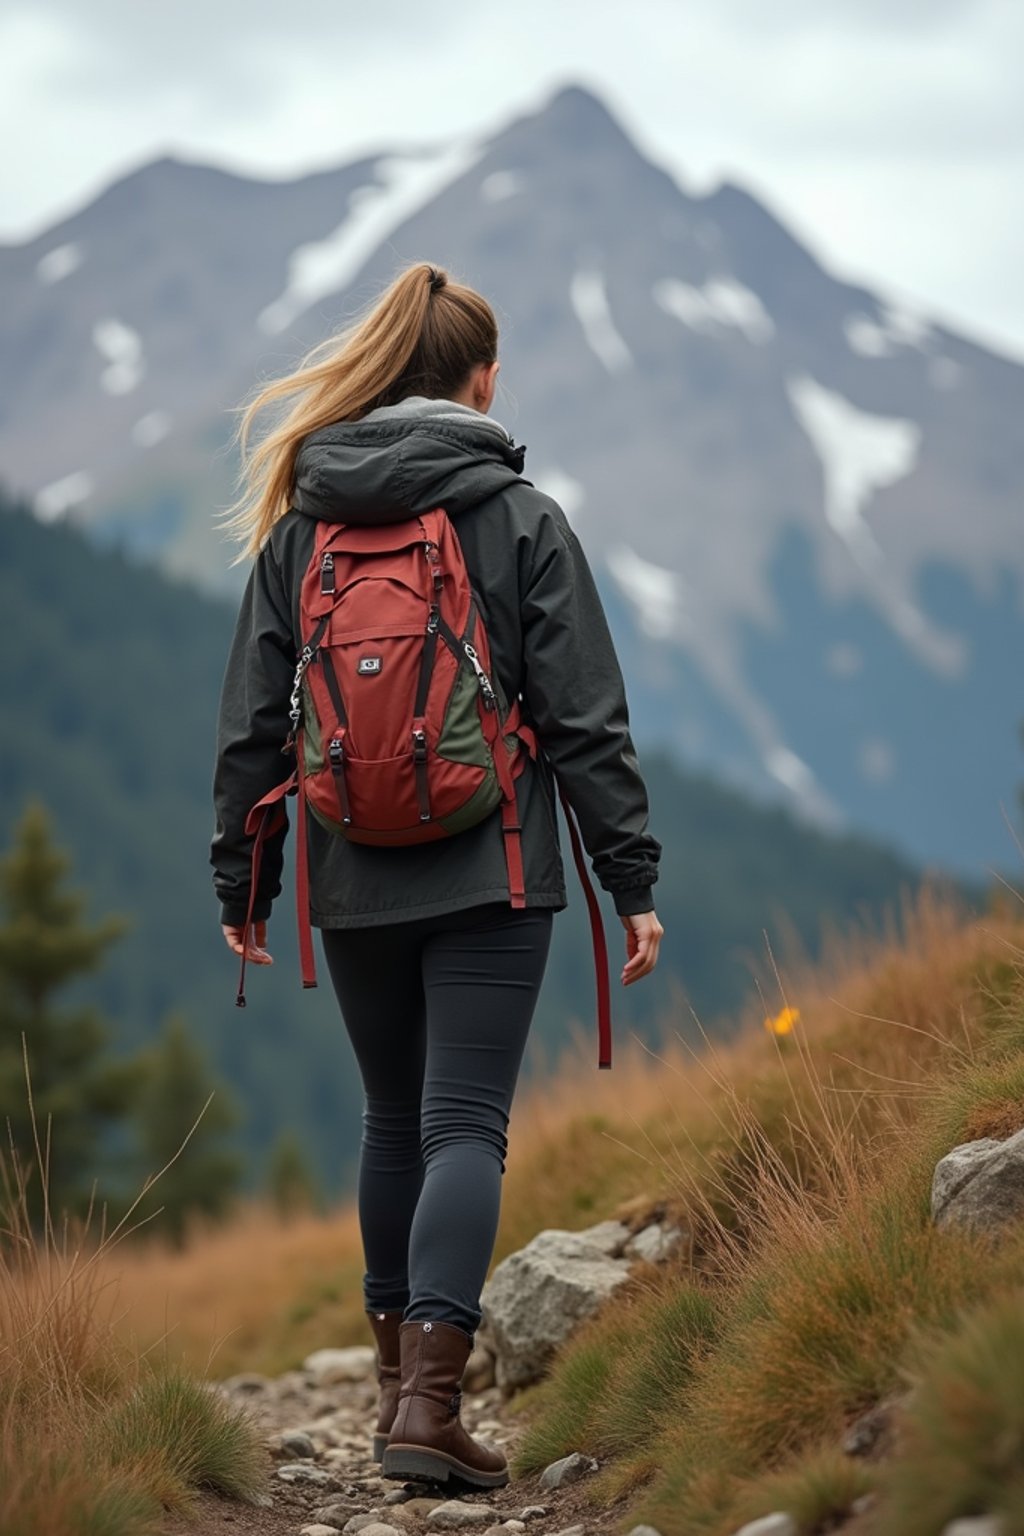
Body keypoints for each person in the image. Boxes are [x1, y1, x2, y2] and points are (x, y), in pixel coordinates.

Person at [210, 262, 663, 1489]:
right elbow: (584, 721)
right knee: (466, 1121)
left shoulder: (304, 525)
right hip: (492, 860)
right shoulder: (519, 519)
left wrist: (240, 886)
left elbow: (255, 724)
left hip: (349, 871)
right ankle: (428, 1409)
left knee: (393, 1122)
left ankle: (389, 1403)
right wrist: (632, 879)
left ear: (375, 375)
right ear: (482, 379)